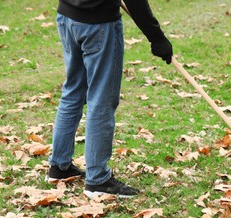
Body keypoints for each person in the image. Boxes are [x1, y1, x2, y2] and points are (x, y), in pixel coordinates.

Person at [46, 0, 173, 198]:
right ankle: (97, 180)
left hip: (67, 17)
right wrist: (156, 37)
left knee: (73, 90)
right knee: (101, 99)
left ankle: (59, 167)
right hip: (98, 25)